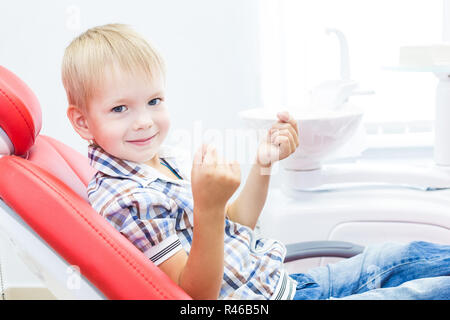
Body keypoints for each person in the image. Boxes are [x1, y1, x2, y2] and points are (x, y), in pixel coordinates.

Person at [63, 23, 450, 300]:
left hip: (286, 285)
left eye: (154, 101)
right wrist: (209, 209)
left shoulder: (155, 160)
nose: (145, 120)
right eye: (120, 108)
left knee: (400, 256)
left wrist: (263, 164)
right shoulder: (127, 200)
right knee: (424, 291)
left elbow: (238, 224)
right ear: (82, 121)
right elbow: (195, 298)